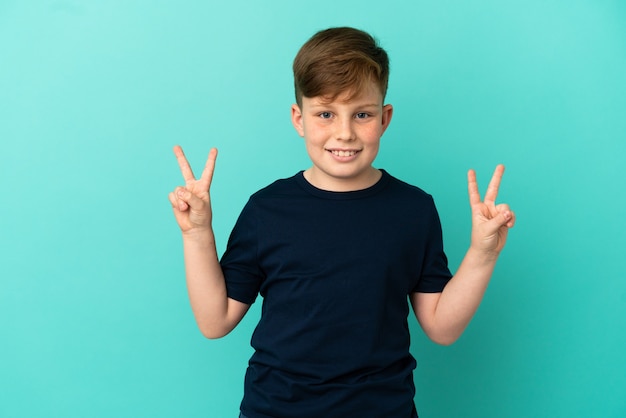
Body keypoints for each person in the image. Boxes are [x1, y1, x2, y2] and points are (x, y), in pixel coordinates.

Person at [168, 27, 515, 418]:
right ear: (299, 118)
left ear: (384, 119)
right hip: (276, 410)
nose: (344, 132)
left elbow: (441, 327)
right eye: (326, 114)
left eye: (362, 114)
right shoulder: (267, 210)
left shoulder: (413, 209)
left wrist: (483, 254)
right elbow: (215, 321)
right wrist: (197, 234)